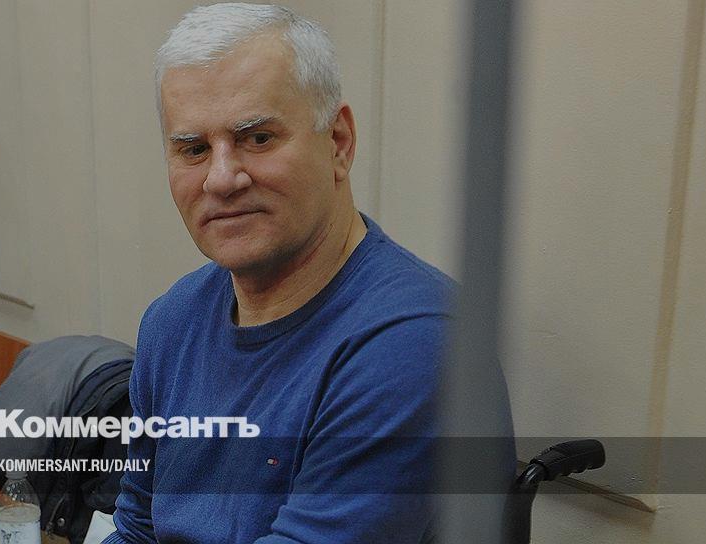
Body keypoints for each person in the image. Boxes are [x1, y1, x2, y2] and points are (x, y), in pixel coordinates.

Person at [103, 3, 495, 543]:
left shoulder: (414, 345)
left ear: (338, 142)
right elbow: (137, 528)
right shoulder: (173, 321)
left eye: (257, 138)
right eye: (194, 149)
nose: (221, 179)